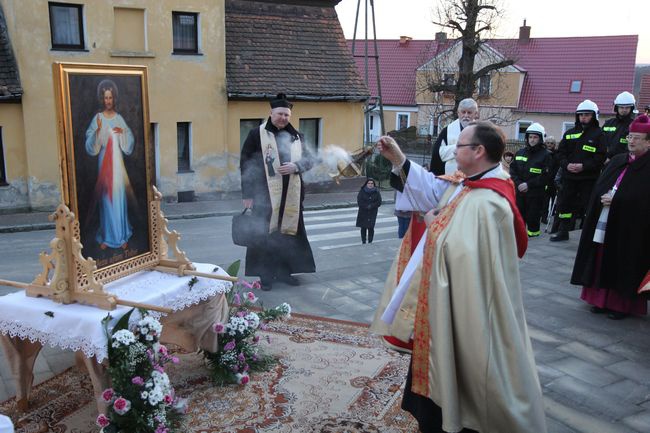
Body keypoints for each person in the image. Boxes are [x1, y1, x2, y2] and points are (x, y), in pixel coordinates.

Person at [372, 122, 547, 433]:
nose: (453, 152)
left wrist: (431, 224)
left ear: (478, 151)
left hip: (470, 310)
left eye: (460, 147)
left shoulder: (490, 201)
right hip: (448, 302)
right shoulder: (471, 183)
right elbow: (433, 191)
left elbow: (463, 254)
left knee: (464, 367)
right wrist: (399, 159)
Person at [571, 114, 650, 320]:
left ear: (648, 142)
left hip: (632, 229)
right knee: (600, 258)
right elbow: (600, 186)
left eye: (637, 138)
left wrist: (617, 201)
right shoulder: (617, 160)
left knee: (624, 262)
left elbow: (643, 198)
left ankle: (621, 305)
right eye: (630, 136)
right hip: (606, 220)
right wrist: (603, 197)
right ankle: (599, 300)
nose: (631, 141)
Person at [240, 93, 315, 291]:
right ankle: (266, 276)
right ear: (271, 112)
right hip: (264, 197)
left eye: (287, 115)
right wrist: (247, 195)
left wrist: (296, 166)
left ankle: (285, 272)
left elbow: (310, 160)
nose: (283, 118)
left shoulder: (297, 136)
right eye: (280, 113)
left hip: (291, 197)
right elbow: (246, 163)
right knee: (265, 236)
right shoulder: (256, 134)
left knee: (288, 237)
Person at [85, 79, 135, 250]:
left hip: (117, 164)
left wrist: (122, 134)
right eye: (105, 98)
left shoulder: (119, 118)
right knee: (106, 198)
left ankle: (121, 236)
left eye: (110, 98)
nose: (108, 101)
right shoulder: (97, 118)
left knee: (118, 197)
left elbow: (129, 140)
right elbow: (91, 145)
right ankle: (107, 236)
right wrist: (99, 130)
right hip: (104, 164)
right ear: (102, 98)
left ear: (114, 99)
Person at [550, 100, 606, 242]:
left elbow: (600, 157)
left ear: (594, 116)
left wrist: (583, 166)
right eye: (581, 115)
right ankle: (563, 231)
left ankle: (588, 235)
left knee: (589, 206)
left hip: (588, 178)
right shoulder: (569, 133)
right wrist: (566, 165)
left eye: (587, 115)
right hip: (569, 177)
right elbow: (560, 153)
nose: (583, 117)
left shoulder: (599, 134)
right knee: (565, 204)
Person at [510, 123, 552, 237]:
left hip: (535, 194)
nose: (532, 140)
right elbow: (513, 171)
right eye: (530, 137)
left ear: (541, 138)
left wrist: (528, 185)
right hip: (520, 193)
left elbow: (546, 176)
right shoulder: (520, 153)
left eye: (535, 137)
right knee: (518, 217)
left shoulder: (546, 155)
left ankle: (534, 238)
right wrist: (518, 184)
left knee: (533, 218)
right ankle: (519, 238)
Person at [429, 98, 479, 175]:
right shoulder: (447, 131)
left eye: (469, 113)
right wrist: (463, 147)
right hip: (450, 177)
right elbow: (438, 154)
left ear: (475, 114)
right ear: (458, 113)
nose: (466, 115)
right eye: (463, 112)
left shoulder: (481, 131)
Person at [602, 91, 636, 161]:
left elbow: (633, 148)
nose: (624, 110)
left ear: (631, 108)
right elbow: (599, 142)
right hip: (604, 161)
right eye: (621, 107)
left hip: (623, 163)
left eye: (627, 107)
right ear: (616, 108)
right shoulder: (608, 123)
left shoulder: (634, 125)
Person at [356, 178, 382, 243]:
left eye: (372, 183)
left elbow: (379, 202)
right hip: (363, 212)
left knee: (371, 227)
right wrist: (366, 206)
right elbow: (359, 201)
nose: (370, 184)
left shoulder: (376, 191)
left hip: (372, 212)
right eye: (369, 183)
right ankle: (363, 241)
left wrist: (372, 206)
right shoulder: (362, 191)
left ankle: (370, 241)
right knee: (363, 227)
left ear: (374, 184)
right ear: (366, 184)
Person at [541, 136, 559, 224]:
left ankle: (553, 216)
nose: (549, 145)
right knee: (545, 200)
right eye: (548, 143)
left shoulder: (557, 154)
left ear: (554, 145)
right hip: (545, 180)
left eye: (551, 143)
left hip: (554, 180)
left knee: (554, 200)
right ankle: (544, 217)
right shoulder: (543, 153)